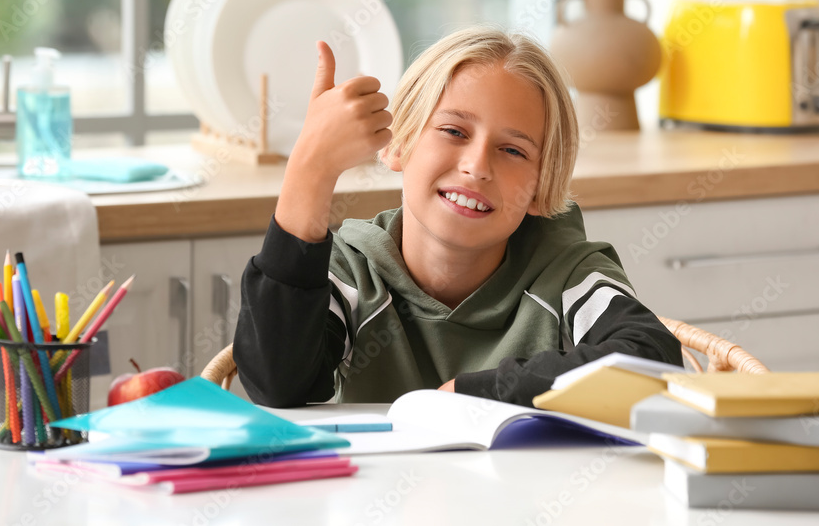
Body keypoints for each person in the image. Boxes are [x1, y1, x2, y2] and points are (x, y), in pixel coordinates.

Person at [234, 25, 682, 408]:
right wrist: (309, 171)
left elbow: (649, 362)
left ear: (540, 190)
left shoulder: (569, 274)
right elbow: (277, 384)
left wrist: (469, 395)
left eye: (513, 150)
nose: (477, 166)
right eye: (453, 131)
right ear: (397, 145)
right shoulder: (354, 272)